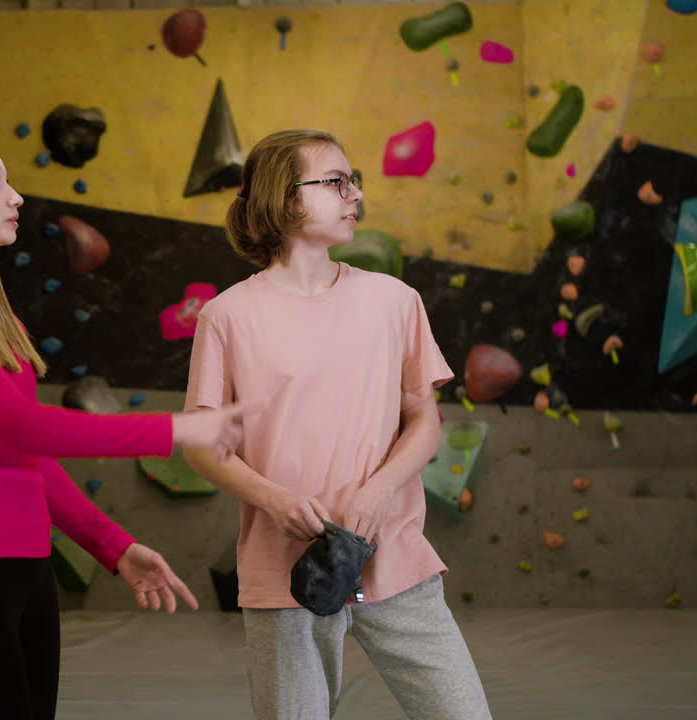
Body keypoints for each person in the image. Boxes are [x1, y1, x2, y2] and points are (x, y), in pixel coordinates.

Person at [0, 132, 247, 720]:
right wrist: (175, 431)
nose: (17, 197)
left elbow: (27, 459)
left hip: (26, 571)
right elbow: (26, 427)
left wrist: (114, 547)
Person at [183, 129, 492, 719]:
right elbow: (204, 447)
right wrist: (273, 500)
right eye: (336, 181)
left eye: (355, 182)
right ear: (284, 197)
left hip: (394, 557)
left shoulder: (395, 300)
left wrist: (379, 491)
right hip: (285, 573)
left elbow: (423, 421)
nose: (354, 195)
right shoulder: (226, 317)